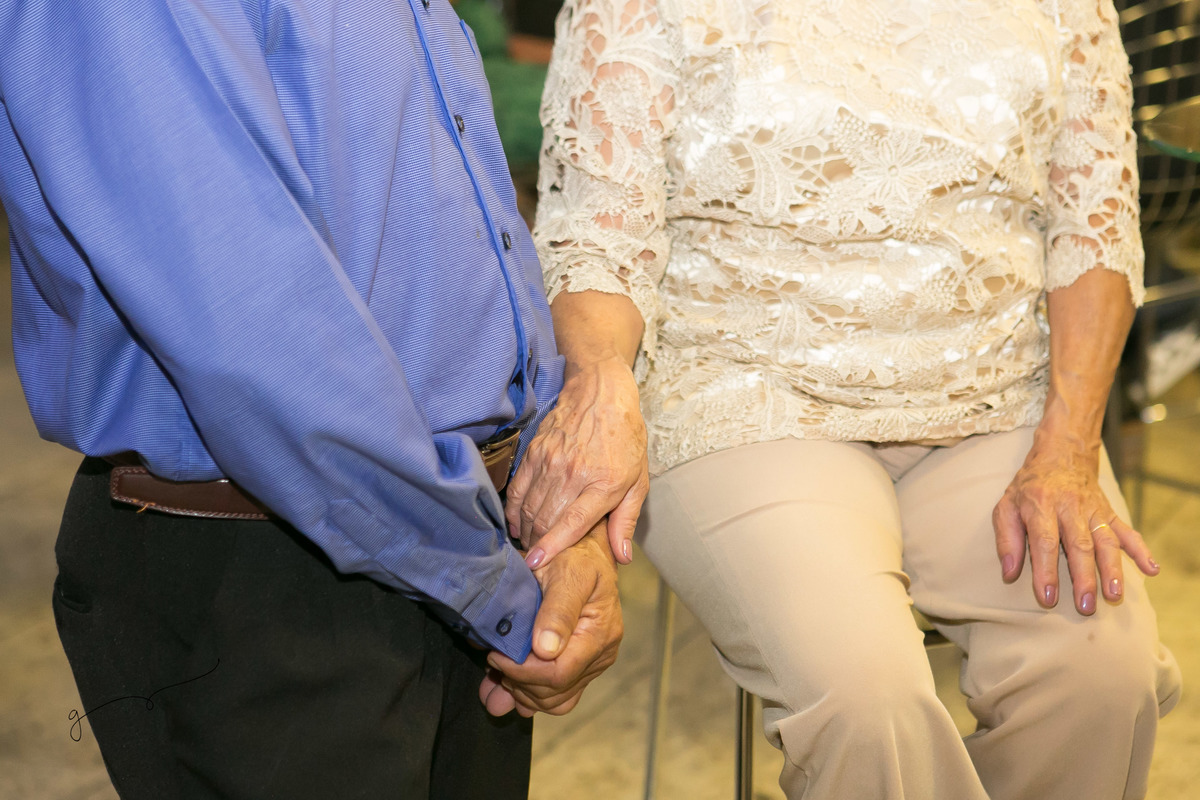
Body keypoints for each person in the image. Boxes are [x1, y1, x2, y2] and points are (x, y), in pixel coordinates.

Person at [520, 0, 1185, 797]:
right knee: (867, 703)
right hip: (747, 394)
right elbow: (598, 237)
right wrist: (599, 381)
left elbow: (1093, 230)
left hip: (1000, 396)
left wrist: (1071, 447)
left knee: (1102, 678)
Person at [0, 2, 621, 798]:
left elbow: (468, 228)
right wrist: (498, 586)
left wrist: (549, 514)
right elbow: (252, 331)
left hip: (450, 539)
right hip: (270, 576)